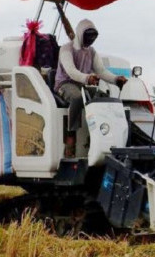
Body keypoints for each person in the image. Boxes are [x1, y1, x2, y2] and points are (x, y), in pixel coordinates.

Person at [54, 19, 127, 157]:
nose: (91, 40)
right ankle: (70, 141)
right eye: (88, 37)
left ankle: (98, 139)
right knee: (77, 98)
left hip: (82, 84)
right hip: (65, 84)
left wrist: (116, 80)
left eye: (93, 38)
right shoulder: (66, 49)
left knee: (104, 100)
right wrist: (88, 78)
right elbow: (70, 71)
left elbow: (101, 71)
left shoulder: (91, 52)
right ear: (80, 34)